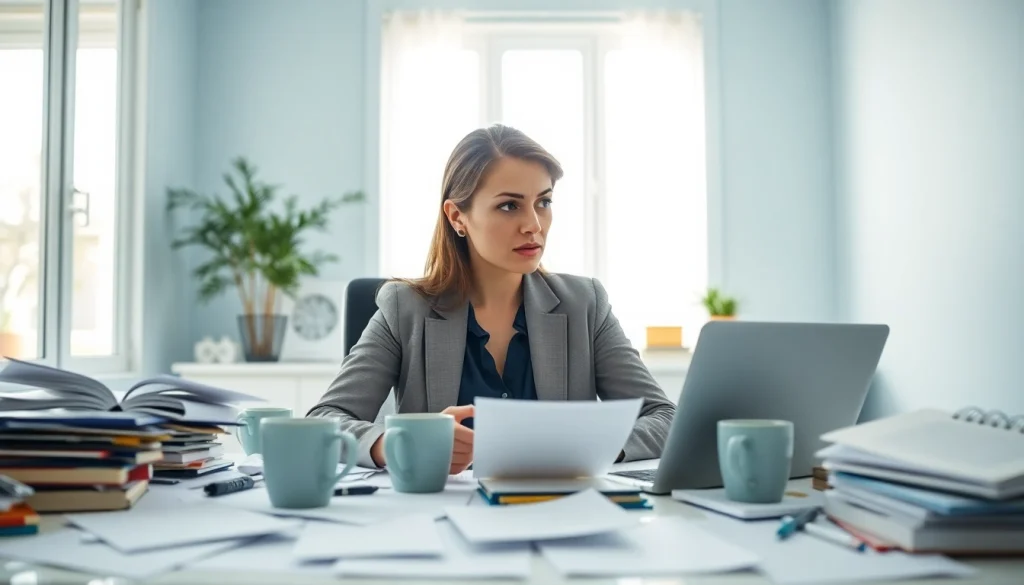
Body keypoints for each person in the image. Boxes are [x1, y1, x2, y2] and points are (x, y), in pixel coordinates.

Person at [307, 124, 675, 473]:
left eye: (543, 202)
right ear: (457, 217)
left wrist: (587, 444)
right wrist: (397, 444)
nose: (534, 224)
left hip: (558, 509)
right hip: (439, 513)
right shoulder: (405, 308)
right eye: (509, 206)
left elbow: (664, 418)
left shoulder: (585, 304)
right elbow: (323, 420)